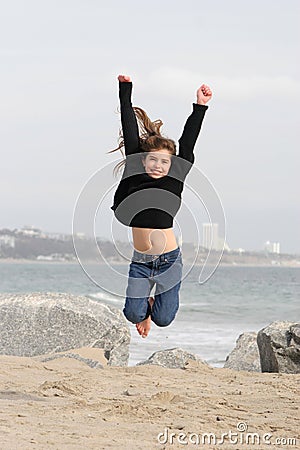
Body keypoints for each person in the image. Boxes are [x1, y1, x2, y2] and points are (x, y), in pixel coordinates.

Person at [110, 74, 212, 338]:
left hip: (169, 261)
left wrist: (199, 106)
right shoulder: (135, 171)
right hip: (141, 261)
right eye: (152, 160)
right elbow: (129, 124)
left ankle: (154, 304)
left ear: (172, 165)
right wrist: (125, 89)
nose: (158, 165)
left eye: (164, 162)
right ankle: (143, 308)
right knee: (132, 314)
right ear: (144, 161)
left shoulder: (176, 177)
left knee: (164, 320)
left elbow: (188, 141)